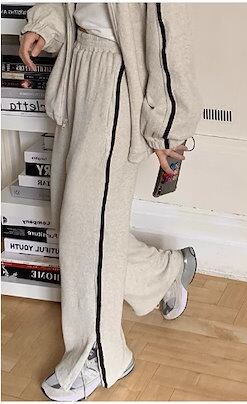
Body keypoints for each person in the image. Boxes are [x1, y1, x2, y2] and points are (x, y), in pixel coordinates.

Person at [19, 2, 203, 401]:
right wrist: (46, 26)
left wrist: (168, 128)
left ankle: (102, 356)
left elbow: (169, 36)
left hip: (118, 78)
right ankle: (166, 271)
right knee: (77, 221)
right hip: (78, 63)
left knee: (86, 229)